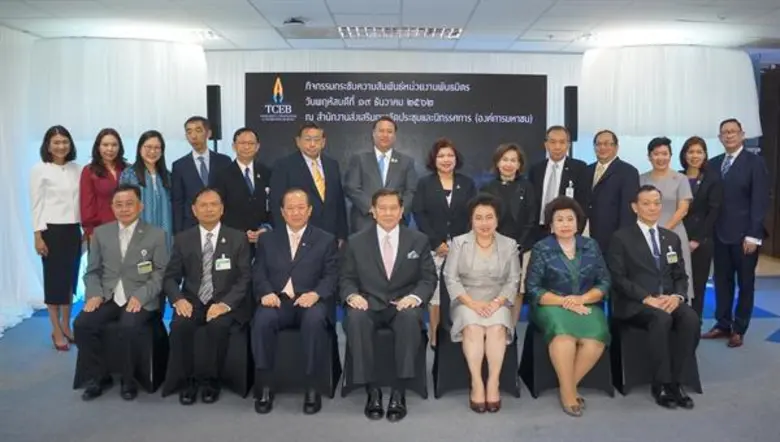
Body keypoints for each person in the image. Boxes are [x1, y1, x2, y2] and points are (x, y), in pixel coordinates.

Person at [340, 188, 437, 422]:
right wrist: (352, 295)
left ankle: (399, 391)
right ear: (373, 211)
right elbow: (345, 278)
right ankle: (371, 390)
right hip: (368, 303)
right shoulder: (355, 241)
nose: (388, 213)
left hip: (403, 303)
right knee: (355, 319)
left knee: (410, 319)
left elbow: (428, 278)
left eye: (393, 208)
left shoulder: (418, 240)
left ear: (402, 211)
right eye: (382, 208)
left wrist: (414, 298)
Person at [607, 185, 699, 410]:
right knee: (661, 319)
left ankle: (677, 382)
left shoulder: (671, 238)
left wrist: (677, 296)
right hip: (635, 303)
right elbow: (617, 277)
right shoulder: (621, 238)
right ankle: (662, 384)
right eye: (646, 204)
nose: (652, 208)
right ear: (635, 207)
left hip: (667, 299)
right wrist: (646, 298)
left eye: (657, 203)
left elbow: (680, 275)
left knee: (690, 318)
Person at [73, 184, 169, 401]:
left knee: (129, 325)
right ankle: (99, 376)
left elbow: (161, 273)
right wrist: (94, 294)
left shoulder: (156, 235)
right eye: (119, 205)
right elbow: (92, 271)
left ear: (140, 206)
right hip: (107, 296)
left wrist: (141, 296)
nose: (124, 209)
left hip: (140, 297)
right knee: (82, 324)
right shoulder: (100, 233)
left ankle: (129, 379)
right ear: (112, 207)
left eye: (129, 204)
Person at [251, 189, 339, 415]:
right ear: (282, 212)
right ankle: (265, 386)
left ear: (309, 211)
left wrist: (316, 294)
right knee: (262, 320)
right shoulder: (268, 239)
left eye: (301, 208)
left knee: (314, 321)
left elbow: (331, 275)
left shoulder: (325, 239)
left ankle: (312, 387)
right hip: (277, 301)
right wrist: (266, 292)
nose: (296, 212)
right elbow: (258, 272)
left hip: (310, 300)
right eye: (290, 208)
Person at [163, 188, 252, 405]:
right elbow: (170, 277)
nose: (209, 209)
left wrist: (225, 304)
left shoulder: (238, 238)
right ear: (194, 210)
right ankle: (188, 381)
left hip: (225, 299)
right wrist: (178, 300)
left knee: (218, 326)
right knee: (180, 325)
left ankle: (212, 382)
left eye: (214, 204)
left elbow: (245, 278)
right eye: (203, 205)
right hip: (192, 299)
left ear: (222, 209)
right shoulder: (183, 239)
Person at [525, 196, 611, 417]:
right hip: (551, 305)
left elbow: (604, 282)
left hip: (586, 303)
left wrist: (582, 299)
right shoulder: (542, 248)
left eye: (570, 219)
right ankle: (568, 394)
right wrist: (565, 301)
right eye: (560, 219)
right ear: (551, 225)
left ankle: (567, 386)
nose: (565, 224)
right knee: (564, 338)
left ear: (578, 223)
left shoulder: (591, 246)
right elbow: (533, 288)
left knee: (595, 340)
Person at [443, 193, 520, 414]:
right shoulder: (459, 243)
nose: (484, 223)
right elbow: (451, 277)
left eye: (489, 217)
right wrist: (472, 304)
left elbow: (513, 279)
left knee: (496, 328)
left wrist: (497, 302)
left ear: (497, 219)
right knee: (473, 328)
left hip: (498, 300)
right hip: (466, 300)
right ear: (471, 220)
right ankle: (477, 382)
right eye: (478, 218)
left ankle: (493, 382)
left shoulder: (509, 245)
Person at [702, 118, 769, 348]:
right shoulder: (713, 164)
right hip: (719, 234)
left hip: (745, 236)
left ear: (742, 135)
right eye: (725, 132)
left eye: (733, 131)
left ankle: (739, 328)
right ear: (719, 138)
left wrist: (753, 235)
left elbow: (760, 200)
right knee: (721, 281)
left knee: (745, 283)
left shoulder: (755, 163)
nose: (729, 135)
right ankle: (722, 324)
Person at [411, 138, 476, 348]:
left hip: (462, 247)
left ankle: (459, 331)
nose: (446, 160)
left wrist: (457, 243)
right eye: (441, 156)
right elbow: (419, 213)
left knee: (460, 291)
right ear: (434, 159)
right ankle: (435, 335)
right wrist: (436, 242)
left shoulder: (467, 183)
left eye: (450, 155)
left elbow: (473, 214)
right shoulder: (425, 183)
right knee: (436, 296)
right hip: (434, 248)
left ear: (456, 159)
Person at [30, 125, 82, 351]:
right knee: (54, 283)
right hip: (51, 231)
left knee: (70, 281)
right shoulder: (40, 169)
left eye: (65, 142)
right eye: (56, 142)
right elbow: (36, 204)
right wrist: (38, 236)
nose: (61, 146)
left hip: (74, 230)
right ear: (48, 146)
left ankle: (66, 325)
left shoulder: (77, 169)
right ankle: (56, 329)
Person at [479, 143, 536, 325]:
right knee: (492, 288)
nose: (508, 164)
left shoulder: (527, 187)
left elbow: (531, 219)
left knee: (516, 289)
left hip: (521, 247)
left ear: (519, 165)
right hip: (492, 246)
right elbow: (482, 219)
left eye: (513, 160)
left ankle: (510, 329)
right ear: (497, 162)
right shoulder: (487, 188)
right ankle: (493, 325)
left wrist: (518, 245)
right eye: (505, 160)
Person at [269, 122, 348, 245]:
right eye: (307, 139)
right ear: (298, 141)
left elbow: (339, 202)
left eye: (317, 140)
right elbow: (276, 203)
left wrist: (341, 234)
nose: (312, 144)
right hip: (299, 234)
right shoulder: (284, 166)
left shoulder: (332, 165)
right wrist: (284, 235)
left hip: (330, 235)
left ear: (323, 142)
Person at [640, 137, 694, 301]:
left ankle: (681, 307)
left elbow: (683, 209)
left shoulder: (680, 179)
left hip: (674, 233)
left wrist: (664, 231)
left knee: (677, 273)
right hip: (647, 235)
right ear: (649, 157)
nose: (661, 158)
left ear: (670, 156)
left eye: (664, 154)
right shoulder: (641, 179)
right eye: (656, 154)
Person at [344, 116, 418, 233]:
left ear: (395, 136)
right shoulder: (359, 159)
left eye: (389, 131)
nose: (385, 135)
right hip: (364, 222)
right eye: (381, 131)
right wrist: (374, 208)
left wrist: (396, 211)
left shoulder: (406, 162)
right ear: (373, 134)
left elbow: (411, 191)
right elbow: (351, 188)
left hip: (396, 223)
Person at [679, 136, 722, 322]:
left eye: (699, 152)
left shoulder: (713, 179)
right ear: (684, 154)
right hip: (678, 237)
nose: (694, 156)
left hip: (701, 241)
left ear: (705, 155)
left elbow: (713, 212)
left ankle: (694, 324)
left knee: (697, 285)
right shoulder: (678, 176)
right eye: (691, 152)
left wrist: (696, 239)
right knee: (677, 283)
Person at [212, 127, 272, 249]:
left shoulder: (266, 172)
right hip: (233, 239)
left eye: (251, 143)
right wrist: (241, 233)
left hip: (263, 239)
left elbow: (272, 204)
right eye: (242, 143)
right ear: (234, 146)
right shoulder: (222, 175)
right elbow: (219, 208)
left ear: (257, 147)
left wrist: (266, 228)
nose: (246, 147)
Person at [171, 116, 232, 233]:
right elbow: (178, 202)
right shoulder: (179, 166)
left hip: (221, 225)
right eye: (189, 132)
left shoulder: (224, 161)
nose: (193, 136)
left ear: (208, 133)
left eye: (198, 130)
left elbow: (229, 196)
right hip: (191, 226)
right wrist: (178, 232)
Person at [527, 126, 589, 242]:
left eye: (562, 142)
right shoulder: (536, 169)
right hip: (538, 230)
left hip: (566, 230)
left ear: (568, 145)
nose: (557, 147)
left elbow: (583, 204)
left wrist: (576, 232)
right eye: (553, 142)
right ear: (546, 144)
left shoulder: (579, 168)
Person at [584, 130, 640, 254]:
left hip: (613, 236)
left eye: (607, 144)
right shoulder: (587, 170)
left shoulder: (628, 171)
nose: (602, 147)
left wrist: (623, 239)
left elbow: (628, 211)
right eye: (598, 144)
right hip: (587, 234)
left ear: (616, 147)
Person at [119, 130, 173, 249]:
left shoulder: (168, 176)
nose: (152, 151)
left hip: (165, 235)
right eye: (148, 147)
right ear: (140, 148)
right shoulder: (129, 175)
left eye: (157, 148)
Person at [80, 128, 127, 241]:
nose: (110, 149)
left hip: (127, 228)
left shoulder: (127, 169)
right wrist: (90, 231)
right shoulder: (89, 171)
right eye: (105, 145)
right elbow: (86, 204)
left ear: (119, 147)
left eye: (114, 145)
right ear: (98, 147)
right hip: (101, 230)